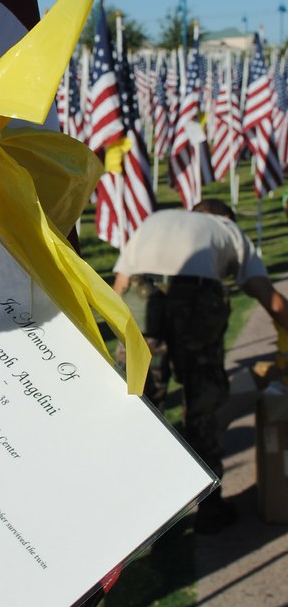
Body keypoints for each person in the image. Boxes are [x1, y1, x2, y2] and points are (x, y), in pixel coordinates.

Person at [112, 198, 288, 533]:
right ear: (227, 218)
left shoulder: (157, 219)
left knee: (138, 403)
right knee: (203, 404)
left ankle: (141, 514)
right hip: (196, 298)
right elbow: (270, 299)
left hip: (139, 296)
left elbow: (118, 287)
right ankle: (208, 508)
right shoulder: (227, 229)